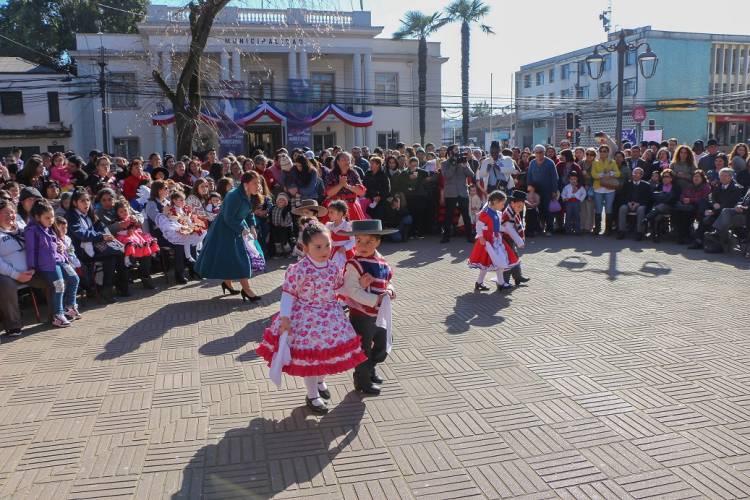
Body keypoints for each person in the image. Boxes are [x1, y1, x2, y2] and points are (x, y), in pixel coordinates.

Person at [256, 222, 367, 414]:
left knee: (328, 353)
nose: (324, 250)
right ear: (305, 247)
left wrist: (358, 289)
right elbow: (288, 294)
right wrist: (285, 318)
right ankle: (312, 394)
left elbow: (339, 287)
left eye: (328, 245)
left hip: (331, 316)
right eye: (318, 246)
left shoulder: (333, 267)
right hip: (307, 319)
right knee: (312, 357)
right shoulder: (299, 269)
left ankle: (321, 382)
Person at [340, 219, 397, 396]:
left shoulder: (382, 262)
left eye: (369, 242)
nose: (362, 245)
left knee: (381, 345)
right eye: (359, 241)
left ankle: (371, 369)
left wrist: (390, 290)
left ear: (378, 241)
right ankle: (362, 381)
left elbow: (388, 281)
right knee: (363, 349)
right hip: (361, 315)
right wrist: (375, 299)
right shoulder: (354, 264)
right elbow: (352, 291)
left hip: (380, 314)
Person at [195, 171, 264, 300]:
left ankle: (227, 283)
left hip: (238, 228)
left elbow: (249, 213)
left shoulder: (252, 195)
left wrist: (252, 226)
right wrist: (242, 229)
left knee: (231, 258)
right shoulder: (234, 196)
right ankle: (247, 290)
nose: (258, 185)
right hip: (224, 230)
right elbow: (228, 217)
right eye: (255, 183)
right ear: (246, 184)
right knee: (241, 259)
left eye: (259, 182)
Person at [24, 199, 80, 327]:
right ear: (38, 217)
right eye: (47, 218)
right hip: (46, 265)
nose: (51, 220)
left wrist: (63, 252)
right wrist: (32, 267)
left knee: (74, 278)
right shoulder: (31, 230)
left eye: (52, 217)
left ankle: (70, 306)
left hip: (59, 260)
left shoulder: (50, 229)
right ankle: (58, 315)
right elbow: (31, 250)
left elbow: (57, 245)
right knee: (59, 285)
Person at [66, 189, 127, 302]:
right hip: (81, 252)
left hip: (95, 246)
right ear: (75, 203)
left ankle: (114, 288)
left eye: (88, 200)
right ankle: (116, 288)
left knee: (115, 254)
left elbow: (101, 227)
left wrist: (107, 235)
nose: (86, 203)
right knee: (116, 253)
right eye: (82, 201)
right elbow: (81, 234)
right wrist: (101, 236)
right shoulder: (71, 216)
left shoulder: (90, 213)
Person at [0, 198, 47, 337]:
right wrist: (16, 275)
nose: (11, 216)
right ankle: (13, 326)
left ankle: (57, 313)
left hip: (31, 272)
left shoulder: (23, 230)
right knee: (5, 284)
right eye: (6, 213)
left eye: (13, 212)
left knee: (52, 276)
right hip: (8, 275)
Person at [467, 190, 513, 292]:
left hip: (496, 240)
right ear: (495, 202)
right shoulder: (486, 213)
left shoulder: (497, 213)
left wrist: (506, 230)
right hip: (488, 241)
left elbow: (496, 227)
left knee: (490, 262)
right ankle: (500, 283)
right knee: (496, 261)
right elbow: (479, 226)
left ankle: (480, 282)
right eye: (502, 203)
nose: (503, 206)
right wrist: (481, 237)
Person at [689, 168, 745, 249]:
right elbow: (711, 197)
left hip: (725, 212)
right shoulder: (718, 185)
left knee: (707, 219)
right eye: (721, 176)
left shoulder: (737, 188)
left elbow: (730, 203)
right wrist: (714, 203)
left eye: (725, 176)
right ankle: (699, 239)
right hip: (716, 208)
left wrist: (713, 211)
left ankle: (701, 240)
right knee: (702, 203)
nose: (723, 178)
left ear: (731, 177)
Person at [441, 145, 476, 243]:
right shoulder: (444, 163)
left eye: (458, 150)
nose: (458, 151)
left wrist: (465, 166)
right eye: (455, 150)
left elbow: (471, 174)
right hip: (451, 193)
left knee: (466, 215)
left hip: (462, 192)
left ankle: (469, 236)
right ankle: (446, 236)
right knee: (448, 215)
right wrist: (453, 164)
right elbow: (447, 175)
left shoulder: (463, 161)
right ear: (450, 152)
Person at [323, 152, 366, 222]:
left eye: (348, 160)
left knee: (353, 230)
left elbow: (362, 193)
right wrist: (340, 185)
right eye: (344, 160)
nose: (347, 162)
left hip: (351, 207)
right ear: (338, 162)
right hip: (335, 208)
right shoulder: (331, 174)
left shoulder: (353, 173)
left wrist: (347, 186)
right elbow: (328, 193)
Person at [526, 145, 559, 235]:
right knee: (538, 210)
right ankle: (539, 228)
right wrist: (529, 190)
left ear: (544, 153)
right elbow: (529, 176)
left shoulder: (550, 163)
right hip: (536, 191)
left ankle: (549, 229)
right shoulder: (532, 163)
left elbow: (554, 178)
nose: (539, 154)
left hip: (548, 191)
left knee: (548, 210)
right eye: (537, 152)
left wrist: (554, 191)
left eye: (541, 152)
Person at [673, 170, 711, 244]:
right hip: (686, 206)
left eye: (698, 176)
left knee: (686, 214)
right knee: (677, 212)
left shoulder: (706, 187)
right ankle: (680, 235)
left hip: (697, 207)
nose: (695, 178)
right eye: (694, 176)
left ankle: (686, 236)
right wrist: (683, 199)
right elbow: (682, 195)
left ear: (702, 178)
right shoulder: (689, 186)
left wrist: (690, 200)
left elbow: (704, 199)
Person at [591, 144, 621, 235]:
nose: (603, 153)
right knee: (598, 209)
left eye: (605, 151)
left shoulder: (612, 162)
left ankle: (608, 229)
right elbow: (593, 174)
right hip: (598, 188)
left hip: (610, 188)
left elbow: (618, 174)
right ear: (599, 152)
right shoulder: (595, 162)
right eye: (601, 151)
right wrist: (602, 175)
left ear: (608, 152)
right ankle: (597, 228)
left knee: (609, 208)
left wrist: (611, 173)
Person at [501, 190, 529, 287]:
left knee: (515, 257)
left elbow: (518, 227)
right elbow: (510, 230)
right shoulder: (508, 215)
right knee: (508, 260)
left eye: (522, 207)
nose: (520, 209)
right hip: (504, 241)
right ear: (512, 203)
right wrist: (520, 242)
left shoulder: (513, 211)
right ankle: (504, 282)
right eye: (519, 206)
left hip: (510, 240)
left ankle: (517, 277)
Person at [644, 169, 680, 243]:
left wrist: (663, 198)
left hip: (670, 207)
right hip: (659, 207)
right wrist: (662, 197)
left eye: (667, 176)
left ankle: (647, 218)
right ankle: (655, 234)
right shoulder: (660, 185)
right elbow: (654, 196)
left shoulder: (676, 187)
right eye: (663, 176)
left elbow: (675, 199)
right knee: (657, 215)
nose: (665, 178)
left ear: (671, 178)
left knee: (661, 206)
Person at [617, 167, 652, 240]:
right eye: (634, 173)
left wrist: (638, 203)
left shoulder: (646, 185)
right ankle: (621, 231)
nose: (635, 175)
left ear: (641, 175)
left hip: (640, 204)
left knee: (641, 210)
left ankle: (639, 232)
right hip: (628, 204)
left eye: (638, 173)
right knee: (622, 208)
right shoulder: (627, 184)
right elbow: (622, 196)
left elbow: (648, 198)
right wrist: (628, 203)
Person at [326, 200, 354, 269]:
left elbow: (353, 241)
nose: (329, 214)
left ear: (340, 213)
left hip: (344, 253)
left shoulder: (348, 226)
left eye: (331, 212)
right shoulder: (328, 225)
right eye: (328, 212)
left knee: (344, 269)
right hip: (331, 252)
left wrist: (345, 247)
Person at [270, 192, 294, 257]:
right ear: (277, 201)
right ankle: (279, 252)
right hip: (275, 227)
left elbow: (289, 220)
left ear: (286, 203)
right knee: (276, 240)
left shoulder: (285, 210)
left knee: (284, 240)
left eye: (283, 200)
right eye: (279, 200)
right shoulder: (273, 208)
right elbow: (270, 215)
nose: (281, 201)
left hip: (283, 228)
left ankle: (288, 252)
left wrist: (285, 224)